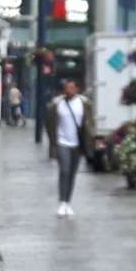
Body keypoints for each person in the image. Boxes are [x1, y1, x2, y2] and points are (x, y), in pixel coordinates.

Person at [45, 79, 92, 218]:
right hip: (62, 143)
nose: (69, 90)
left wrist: (90, 138)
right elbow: (49, 123)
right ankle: (62, 203)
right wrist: (53, 140)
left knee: (72, 174)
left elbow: (88, 122)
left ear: (76, 89)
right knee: (64, 171)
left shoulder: (84, 104)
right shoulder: (57, 104)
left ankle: (68, 203)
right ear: (64, 90)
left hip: (77, 144)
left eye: (72, 88)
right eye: (67, 88)